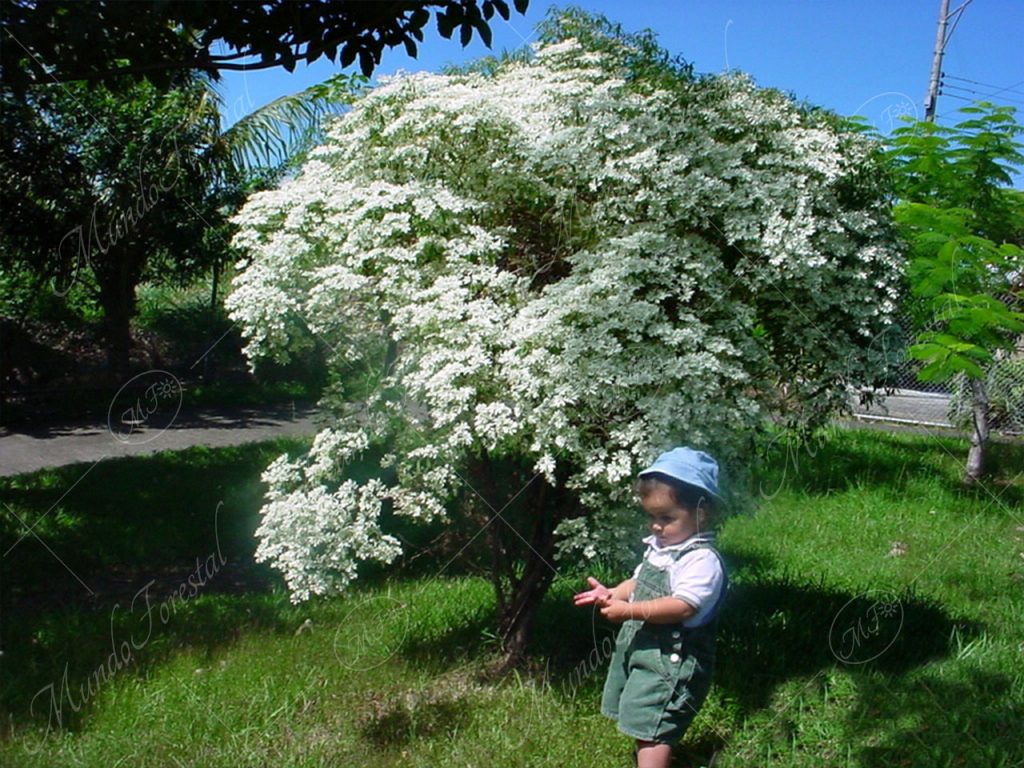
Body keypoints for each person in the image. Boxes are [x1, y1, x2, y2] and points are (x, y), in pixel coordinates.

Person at [573, 446, 728, 768]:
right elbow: (640, 581)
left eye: (667, 518)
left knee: (655, 725)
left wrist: (630, 611)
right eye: (652, 517)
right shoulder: (662, 549)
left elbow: (682, 606)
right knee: (643, 712)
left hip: (673, 661)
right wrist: (616, 592)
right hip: (645, 652)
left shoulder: (701, 560)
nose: (657, 527)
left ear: (701, 512)